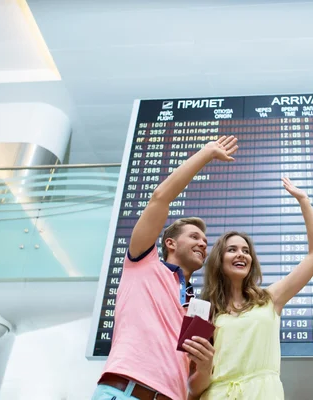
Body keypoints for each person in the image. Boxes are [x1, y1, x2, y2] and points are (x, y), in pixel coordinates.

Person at [92, 136, 239, 400]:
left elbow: (195, 387)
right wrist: (206, 153)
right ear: (170, 242)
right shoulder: (142, 263)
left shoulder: (200, 308)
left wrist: (205, 367)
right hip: (123, 393)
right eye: (194, 237)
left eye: (205, 242)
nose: (203, 244)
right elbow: (160, 197)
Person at [197, 177, 313, 399]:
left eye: (246, 251)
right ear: (219, 259)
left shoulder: (270, 299)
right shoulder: (205, 310)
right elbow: (195, 378)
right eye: (232, 250)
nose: (241, 254)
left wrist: (304, 200)